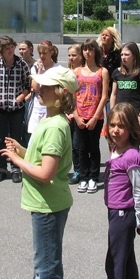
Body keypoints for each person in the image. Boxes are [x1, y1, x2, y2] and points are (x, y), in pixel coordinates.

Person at [1, 65, 77, 279]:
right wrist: (22, 151)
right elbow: (41, 159)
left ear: (61, 93)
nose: (39, 89)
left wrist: (16, 161)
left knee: (46, 273)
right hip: (46, 204)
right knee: (44, 267)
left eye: (46, 87)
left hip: (48, 206)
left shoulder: (55, 127)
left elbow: (45, 173)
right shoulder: (49, 120)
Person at [104, 103, 140, 279]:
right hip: (115, 212)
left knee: (115, 263)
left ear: (131, 128)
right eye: (112, 125)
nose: (115, 130)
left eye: (121, 126)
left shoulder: (131, 156)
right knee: (126, 260)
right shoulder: (115, 148)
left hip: (123, 214)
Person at [0, 36, 31, 183]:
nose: (10, 51)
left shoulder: (22, 64)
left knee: (15, 138)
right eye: (6, 48)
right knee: (1, 139)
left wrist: (21, 97)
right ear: (1, 50)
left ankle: (16, 168)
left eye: (12, 47)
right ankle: (1, 168)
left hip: (16, 108)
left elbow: (28, 85)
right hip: (0, 108)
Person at [73, 39, 109, 195]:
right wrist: (76, 116)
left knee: (94, 147)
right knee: (81, 148)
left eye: (90, 49)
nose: (87, 52)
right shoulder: (76, 71)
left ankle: (94, 177)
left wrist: (95, 117)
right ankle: (83, 176)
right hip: (80, 115)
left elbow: (104, 96)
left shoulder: (102, 71)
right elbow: (71, 95)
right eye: (85, 49)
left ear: (95, 51)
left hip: (95, 116)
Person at [109, 42, 140, 128]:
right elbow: (113, 94)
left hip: (133, 113)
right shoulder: (117, 72)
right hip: (119, 113)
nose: (123, 57)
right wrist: (112, 111)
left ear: (134, 56)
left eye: (127, 55)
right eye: (122, 55)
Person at [26, 41, 59, 136]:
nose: (41, 56)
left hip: (51, 106)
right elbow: (35, 88)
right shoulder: (35, 68)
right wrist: (40, 70)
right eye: (40, 53)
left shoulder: (57, 68)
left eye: (44, 53)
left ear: (51, 52)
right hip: (37, 107)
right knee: (34, 136)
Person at [66, 44, 84, 185]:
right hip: (68, 113)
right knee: (72, 145)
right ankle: (77, 169)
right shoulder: (67, 73)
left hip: (81, 113)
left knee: (79, 145)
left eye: (74, 55)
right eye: (69, 55)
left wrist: (75, 112)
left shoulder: (84, 73)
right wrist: (66, 112)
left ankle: (83, 171)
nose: (71, 58)